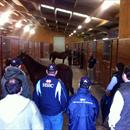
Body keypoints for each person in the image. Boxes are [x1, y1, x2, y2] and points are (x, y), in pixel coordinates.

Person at [33, 64, 68, 130]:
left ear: (46, 71)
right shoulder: (59, 83)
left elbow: (35, 98)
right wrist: (64, 109)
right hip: (56, 113)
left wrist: (38, 109)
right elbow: (64, 99)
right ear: (56, 72)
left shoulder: (39, 82)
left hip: (43, 112)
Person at [108, 65, 130, 130]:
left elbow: (114, 113)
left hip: (122, 126)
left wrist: (111, 125)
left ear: (124, 75)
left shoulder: (121, 92)